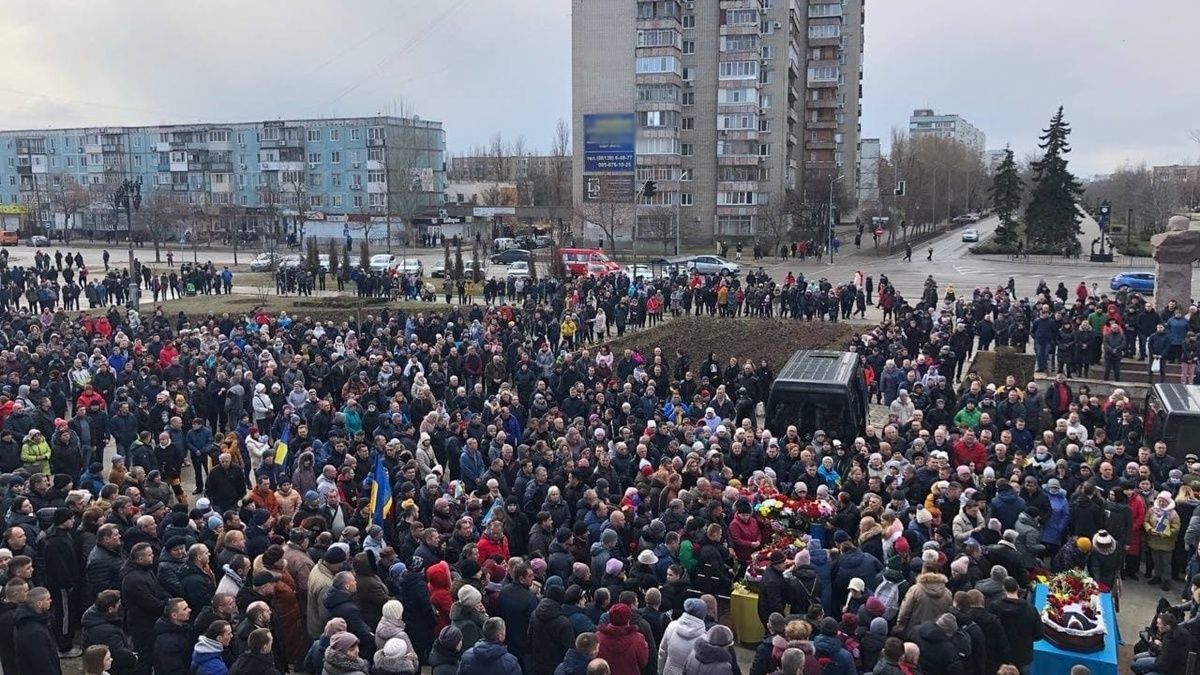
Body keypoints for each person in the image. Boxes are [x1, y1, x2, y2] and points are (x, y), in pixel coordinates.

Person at [12, 587, 62, 675]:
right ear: (39, 604)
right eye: (47, 599)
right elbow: (42, 663)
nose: (50, 601)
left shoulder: (33, 621)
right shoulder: (34, 632)